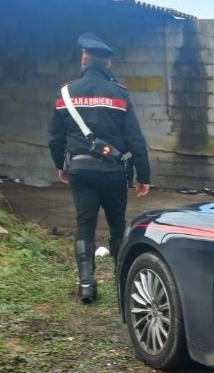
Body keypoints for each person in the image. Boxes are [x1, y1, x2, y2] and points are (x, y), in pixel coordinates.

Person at [49, 33, 151, 304]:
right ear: (109, 64)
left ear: (83, 60)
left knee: (85, 224)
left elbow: (55, 138)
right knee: (117, 225)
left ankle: (86, 284)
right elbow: (135, 139)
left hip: (80, 170)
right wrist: (144, 175)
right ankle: (121, 281)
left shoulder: (65, 94)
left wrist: (61, 165)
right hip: (114, 171)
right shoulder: (120, 94)